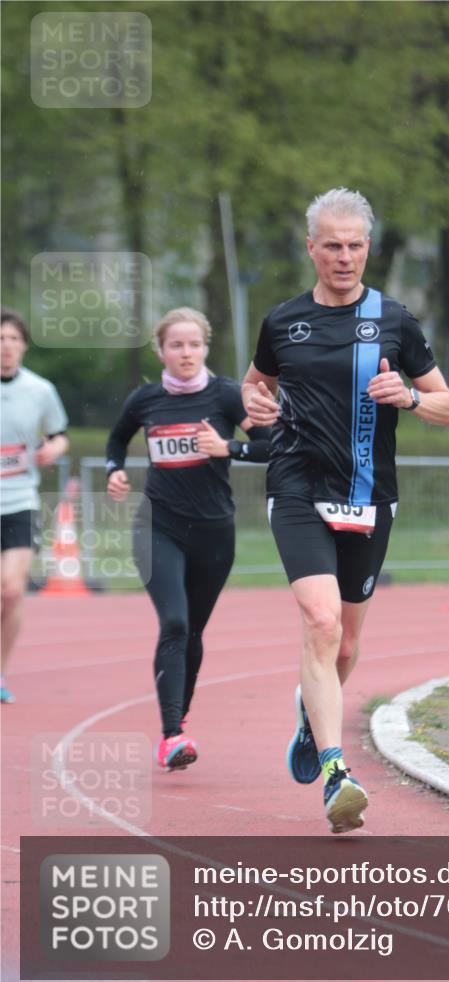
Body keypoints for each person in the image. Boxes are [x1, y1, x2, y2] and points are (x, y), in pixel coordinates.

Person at [242, 188, 449, 833]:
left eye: (354, 245)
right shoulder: (283, 322)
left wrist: (411, 400)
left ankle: (313, 716)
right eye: (331, 245)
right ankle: (337, 770)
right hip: (297, 485)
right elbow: (257, 384)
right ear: (311, 248)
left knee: (346, 643)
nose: (343, 256)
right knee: (321, 619)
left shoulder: (395, 320)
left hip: (369, 494)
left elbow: (447, 406)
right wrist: (254, 404)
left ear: (369, 248)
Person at [106, 307, 269, 771]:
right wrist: (114, 471)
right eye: (176, 345)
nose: (186, 353)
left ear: (205, 348)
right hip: (159, 526)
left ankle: (181, 712)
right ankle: (172, 734)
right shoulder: (145, 399)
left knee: (193, 630)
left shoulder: (227, 396)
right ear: (161, 350)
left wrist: (229, 447)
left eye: (194, 344)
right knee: (174, 623)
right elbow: (116, 440)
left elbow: (274, 445)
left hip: (215, 532)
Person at [1, 308, 69, 703]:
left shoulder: (40, 390)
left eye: (12, 338)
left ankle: (0, 672)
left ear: (23, 345)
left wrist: (51, 450)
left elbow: (60, 434)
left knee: (10, 591)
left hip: (19, 502)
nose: (5, 347)